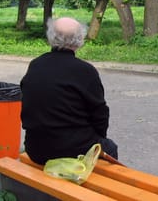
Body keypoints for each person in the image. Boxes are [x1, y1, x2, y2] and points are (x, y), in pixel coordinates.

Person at [20, 16, 118, 165]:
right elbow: (100, 114)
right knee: (109, 147)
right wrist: (99, 138)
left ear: (51, 36)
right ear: (79, 40)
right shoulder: (85, 71)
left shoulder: (36, 65)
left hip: (36, 149)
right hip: (73, 151)